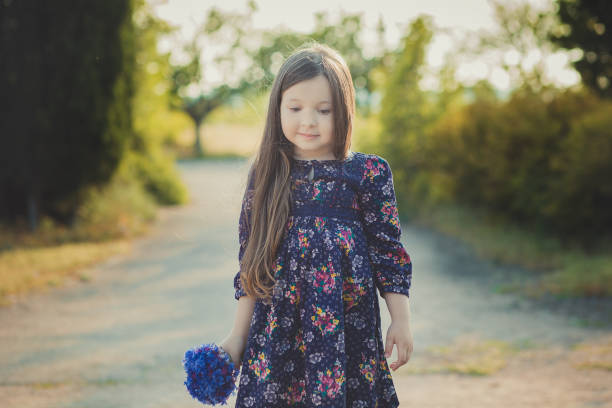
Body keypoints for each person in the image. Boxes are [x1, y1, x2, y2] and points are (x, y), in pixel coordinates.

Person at [220, 42, 413, 407]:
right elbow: (251, 264)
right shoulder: (268, 175)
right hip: (277, 342)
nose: (308, 121)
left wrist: (400, 320)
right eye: (295, 108)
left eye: (323, 110)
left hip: (346, 342)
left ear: (344, 111)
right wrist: (236, 338)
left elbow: (389, 255)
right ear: (278, 107)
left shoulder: (368, 174)